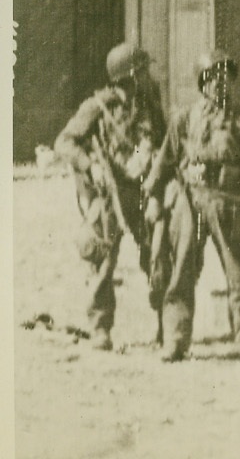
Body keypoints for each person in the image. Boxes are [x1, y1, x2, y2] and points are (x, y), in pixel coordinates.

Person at [144, 48, 240, 363]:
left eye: (225, 77)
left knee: (238, 273)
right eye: (212, 77)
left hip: (228, 202)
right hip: (190, 201)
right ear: (201, 83)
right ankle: (176, 339)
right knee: (181, 271)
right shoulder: (184, 118)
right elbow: (166, 161)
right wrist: (153, 196)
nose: (220, 83)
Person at [55, 42, 167, 351]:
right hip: (110, 196)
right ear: (129, 75)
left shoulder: (149, 104)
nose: (148, 76)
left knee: (158, 256)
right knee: (102, 260)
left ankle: (166, 325)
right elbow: (64, 142)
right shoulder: (98, 106)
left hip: (143, 192)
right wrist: (90, 166)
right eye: (143, 71)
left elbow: (165, 141)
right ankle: (101, 328)